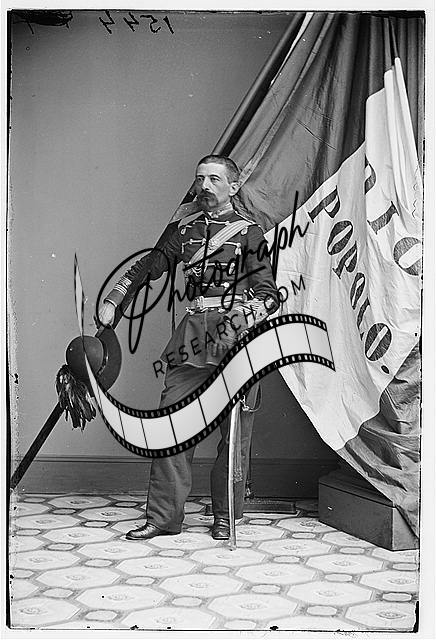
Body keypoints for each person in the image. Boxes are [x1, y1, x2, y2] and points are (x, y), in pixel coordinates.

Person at [98, 155, 278, 540]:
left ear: (233, 186)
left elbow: (268, 292)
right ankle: (163, 518)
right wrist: (115, 300)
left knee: (234, 436)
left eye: (214, 179)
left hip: (235, 340)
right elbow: (149, 266)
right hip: (191, 341)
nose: (205, 186)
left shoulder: (250, 234)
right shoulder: (183, 230)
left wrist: (252, 314)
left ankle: (225, 516)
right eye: (200, 179)